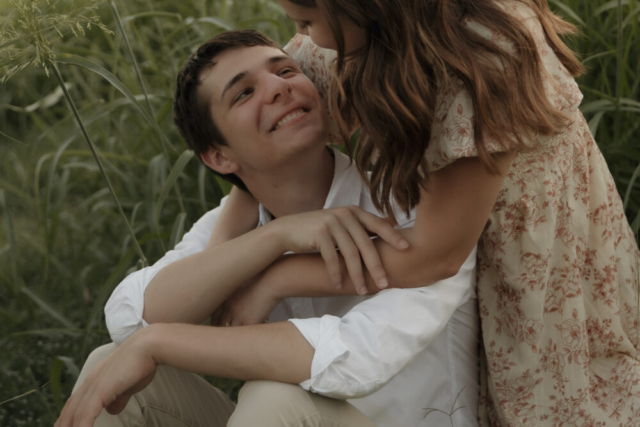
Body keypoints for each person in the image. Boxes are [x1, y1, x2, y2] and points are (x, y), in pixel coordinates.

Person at [215, 0, 640, 425]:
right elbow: (263, 150)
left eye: (307, 20)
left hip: (540, 289)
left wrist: (275, 279)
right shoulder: (364, 36)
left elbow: (435, 254)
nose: (307, 39)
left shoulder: (485, 53)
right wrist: (223, 261)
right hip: (462, 288)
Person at [56, 30, 481, 427]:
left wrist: (158, 345)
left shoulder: (414, 208)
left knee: (272, 398)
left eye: (286, 71)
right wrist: (277, 236)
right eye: (244, 93)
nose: (278, 88)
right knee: (106, 363)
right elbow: (131, 321)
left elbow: (354, 360)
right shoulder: (238, 223)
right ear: (220, 158)